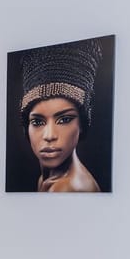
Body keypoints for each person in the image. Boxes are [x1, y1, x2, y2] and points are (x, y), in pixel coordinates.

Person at [19, 39, 103, 192]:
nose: (49, 136)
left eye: (64, 120)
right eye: (37, 122)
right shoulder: (48, 180)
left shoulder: (67, 187)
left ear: (82, 124)